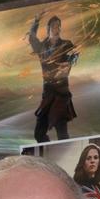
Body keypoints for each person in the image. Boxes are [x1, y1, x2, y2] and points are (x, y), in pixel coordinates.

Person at [28, 14, 78, 143]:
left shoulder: (67, 44)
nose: (57, 28)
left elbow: (75, 55)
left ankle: (64, 156)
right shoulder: (41, 47)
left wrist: (70, 63)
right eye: (54, 26)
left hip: (61, 94)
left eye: (59, 26)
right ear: (48, 28)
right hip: (48, 93)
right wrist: (36, 20)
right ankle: (49, 153)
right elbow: (32, 37)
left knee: (62, 133)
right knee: (39, 134)